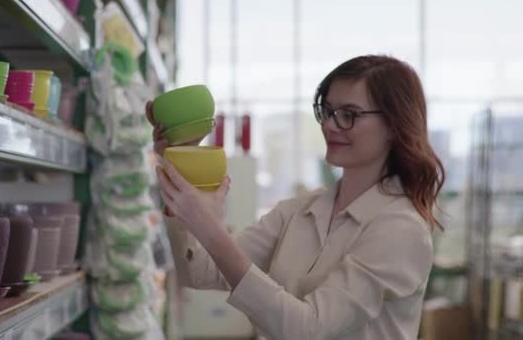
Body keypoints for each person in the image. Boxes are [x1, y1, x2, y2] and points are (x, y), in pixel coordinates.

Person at [146, 55, 444, 340]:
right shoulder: (302, 209)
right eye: (326, 111)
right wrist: (184, 169)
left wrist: (210, 228)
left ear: (394, 126)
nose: (329, 124)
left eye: (348, 115)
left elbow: (306, 330)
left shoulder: (401, 230)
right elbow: (200, 272)